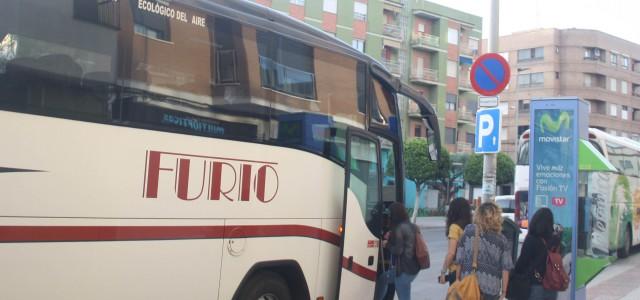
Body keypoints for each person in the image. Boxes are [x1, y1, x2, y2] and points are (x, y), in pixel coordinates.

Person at [456, 202, 513, 300]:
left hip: (468, 285)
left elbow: (459, 259)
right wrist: (503, 292)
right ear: (496, 217)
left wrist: (457, 279)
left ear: (478, 215)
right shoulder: (502, 240)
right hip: (491, 289)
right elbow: (505, 268)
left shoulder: (469, 231)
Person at [514, 207, 559, 300]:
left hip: (534, 284)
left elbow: (522, 262)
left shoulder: (531, 239)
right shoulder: (555, 239)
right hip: (552, 286)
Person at [378, 202, 420, 300]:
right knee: (384, 279)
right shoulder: (411, 226)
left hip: (404, 270)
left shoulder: (400, 228)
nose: (389, 217)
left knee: (404, 297)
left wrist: (386, 244)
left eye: (390, 214)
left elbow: (398, 250)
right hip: (412, 268)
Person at [439, 197, 472, 285]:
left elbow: (451, 253)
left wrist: (443, 271)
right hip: (470, 272)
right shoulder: (473, 226)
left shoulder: (455, 227)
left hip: (456, 271)